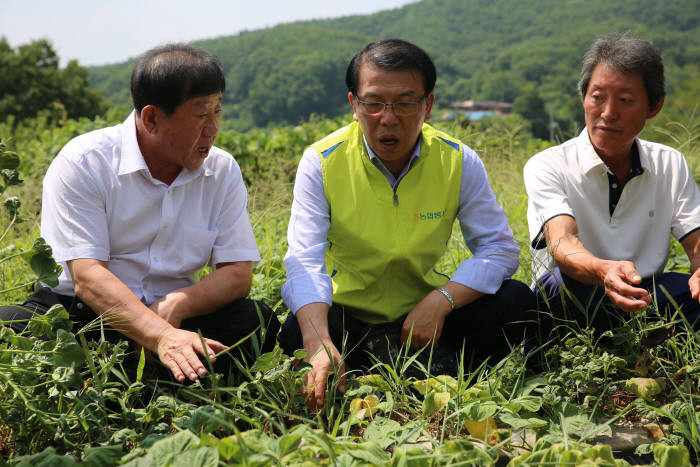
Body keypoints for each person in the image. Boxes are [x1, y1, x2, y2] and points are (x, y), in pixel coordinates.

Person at [279, 38, 537, 410]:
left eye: (404, 103)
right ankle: (362, 370)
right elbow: (304, 261)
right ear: (354, 105)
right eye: (373, 103)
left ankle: (471, 384)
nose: (388, 117)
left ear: (428, 105)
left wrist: (442, 300)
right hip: (349, 317)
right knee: (296, 330)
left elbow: (499, 249)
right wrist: (318, 341)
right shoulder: (322, 161)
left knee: (516, 302)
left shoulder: (457, 160)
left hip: (425, 318)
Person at [0, 44, 279, 382]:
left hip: (179, 318)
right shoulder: (85, 162)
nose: (213, 129)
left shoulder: (222, 170)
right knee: (9, 329)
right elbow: (87, 277)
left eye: (218, 111)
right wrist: (159, 335)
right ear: (151, 118)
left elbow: (237, 273)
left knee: (255, 320)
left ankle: (146, 379)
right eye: (200, 115)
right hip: (83, 316)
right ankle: (148, 378)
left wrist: (176, 306)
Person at [524, 35, 700, 335]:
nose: (607, 113)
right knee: (556, 289)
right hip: (575, 292)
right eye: (597, 97)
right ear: (583, 98)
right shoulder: (547, 164)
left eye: (625, 101)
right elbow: (561, 241)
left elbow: (695, 237)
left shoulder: (669, 163)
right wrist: (604, 270)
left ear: (654, 107)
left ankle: (641, 339)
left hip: (644, 292)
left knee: (690, 294)